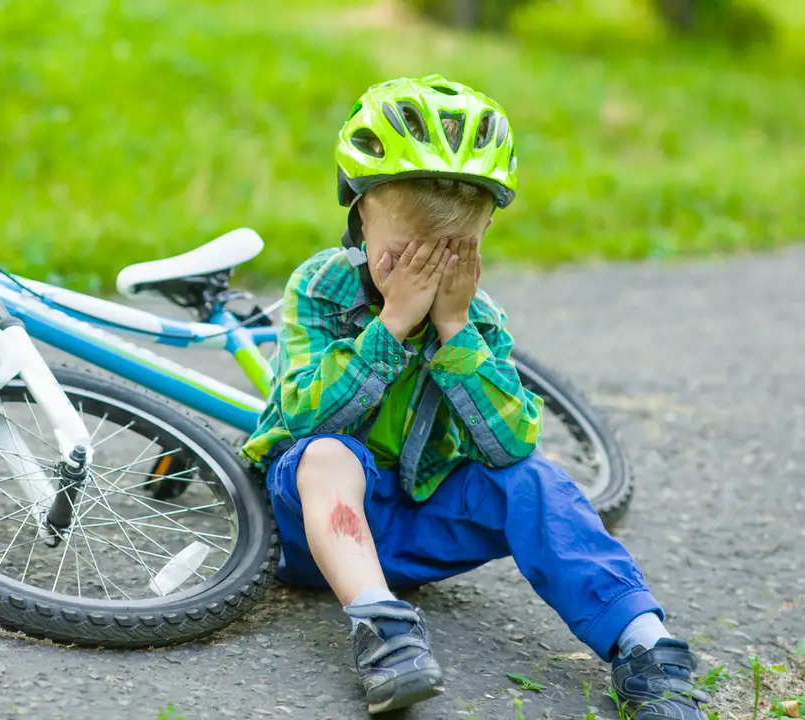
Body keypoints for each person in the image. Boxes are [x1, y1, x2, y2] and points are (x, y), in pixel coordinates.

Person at [239, 75, 711, 717]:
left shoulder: (477, 317)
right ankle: (382, 629)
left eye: (454, 254)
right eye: (401, 255)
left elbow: (511, 441)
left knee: (535, 481)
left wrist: (455, 331)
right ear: (359, 218)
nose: (424, 274)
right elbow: (305, 414)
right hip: (311, 533)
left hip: (417, 528)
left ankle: (643, 646)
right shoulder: (320, 289)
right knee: (325, 454)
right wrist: (393, 325)